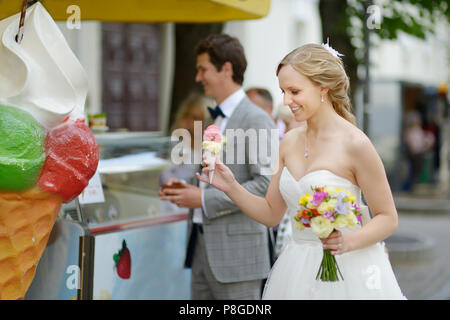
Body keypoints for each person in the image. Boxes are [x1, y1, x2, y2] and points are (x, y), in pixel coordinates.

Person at [197, 43, 406, 299]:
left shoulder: (356, 144)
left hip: (349, 270)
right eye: (283, 91)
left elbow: (388, 217)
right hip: (295, 268)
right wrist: (231, 186)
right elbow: (271, 213)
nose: (286, 101)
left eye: (295, 91)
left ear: (323, 88)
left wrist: (346, 242)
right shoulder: (289, 141)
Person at [159, 34, 276, 299]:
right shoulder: (216, 117)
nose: (198, 77)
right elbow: (216, 176)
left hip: (238, 258)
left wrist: (201, 198)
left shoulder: (256, 119)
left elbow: (264, 186)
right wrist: (185, 189)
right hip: (201, 248)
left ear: (226, 68)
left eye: (203, 69)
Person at [158, 92, 210, 214]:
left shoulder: (209, 156)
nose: (190, 123)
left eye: (197, 119)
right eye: (187, 116)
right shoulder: (173, 148)